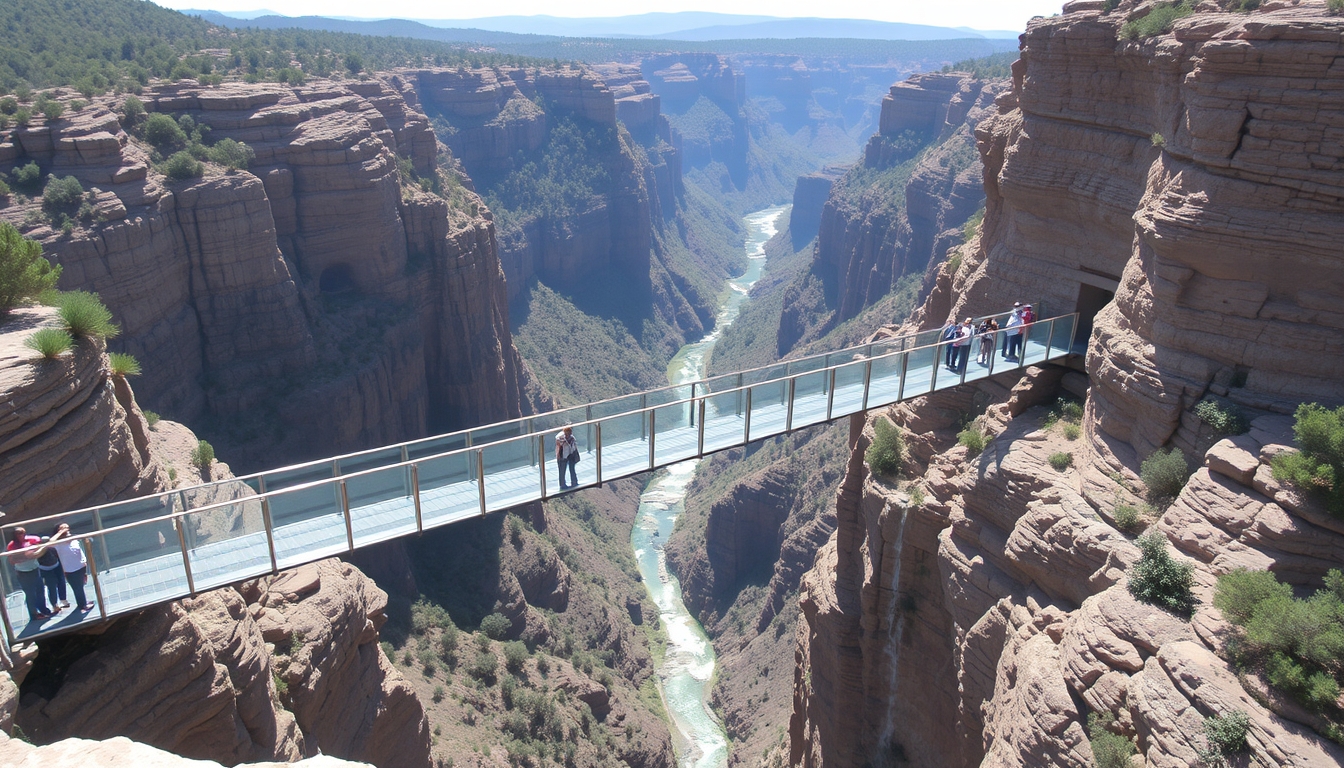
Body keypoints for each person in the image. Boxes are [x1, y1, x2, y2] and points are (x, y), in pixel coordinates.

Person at [6, 527, 54, 621]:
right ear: (15, 535)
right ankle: (34, 614)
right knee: (30, 594)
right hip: (24, 573)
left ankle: (43, 610)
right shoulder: (12, 545)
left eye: (23, 533)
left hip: (35, 569)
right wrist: (26, 557)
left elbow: (40, 544)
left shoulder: (30, 539)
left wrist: (36, 552)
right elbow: (12, 561)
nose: (22, 535)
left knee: (40, 590)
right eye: (20, 533)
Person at [53, 523, 94, 612]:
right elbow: (50, 542)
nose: (66, 529)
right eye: (63, 528)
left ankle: (83, 602)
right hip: (71, 570)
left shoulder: (72, 538)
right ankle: (83, 606)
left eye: (67, 527)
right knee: (77, 588)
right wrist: (60, 533)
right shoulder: (58, 544)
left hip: (81, 566)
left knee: (81, 586)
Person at [555, 425, 579, 490]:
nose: (569, 434)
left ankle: (574, 482)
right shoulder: (560, 439)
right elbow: (559, 447)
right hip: (562, 456)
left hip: (570, 454)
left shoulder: (572, 438)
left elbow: (574, 446)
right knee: (562, 471)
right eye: (567, 433)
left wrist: (574, 454)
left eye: (569, 433)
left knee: (572, 469)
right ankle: (562, 485)